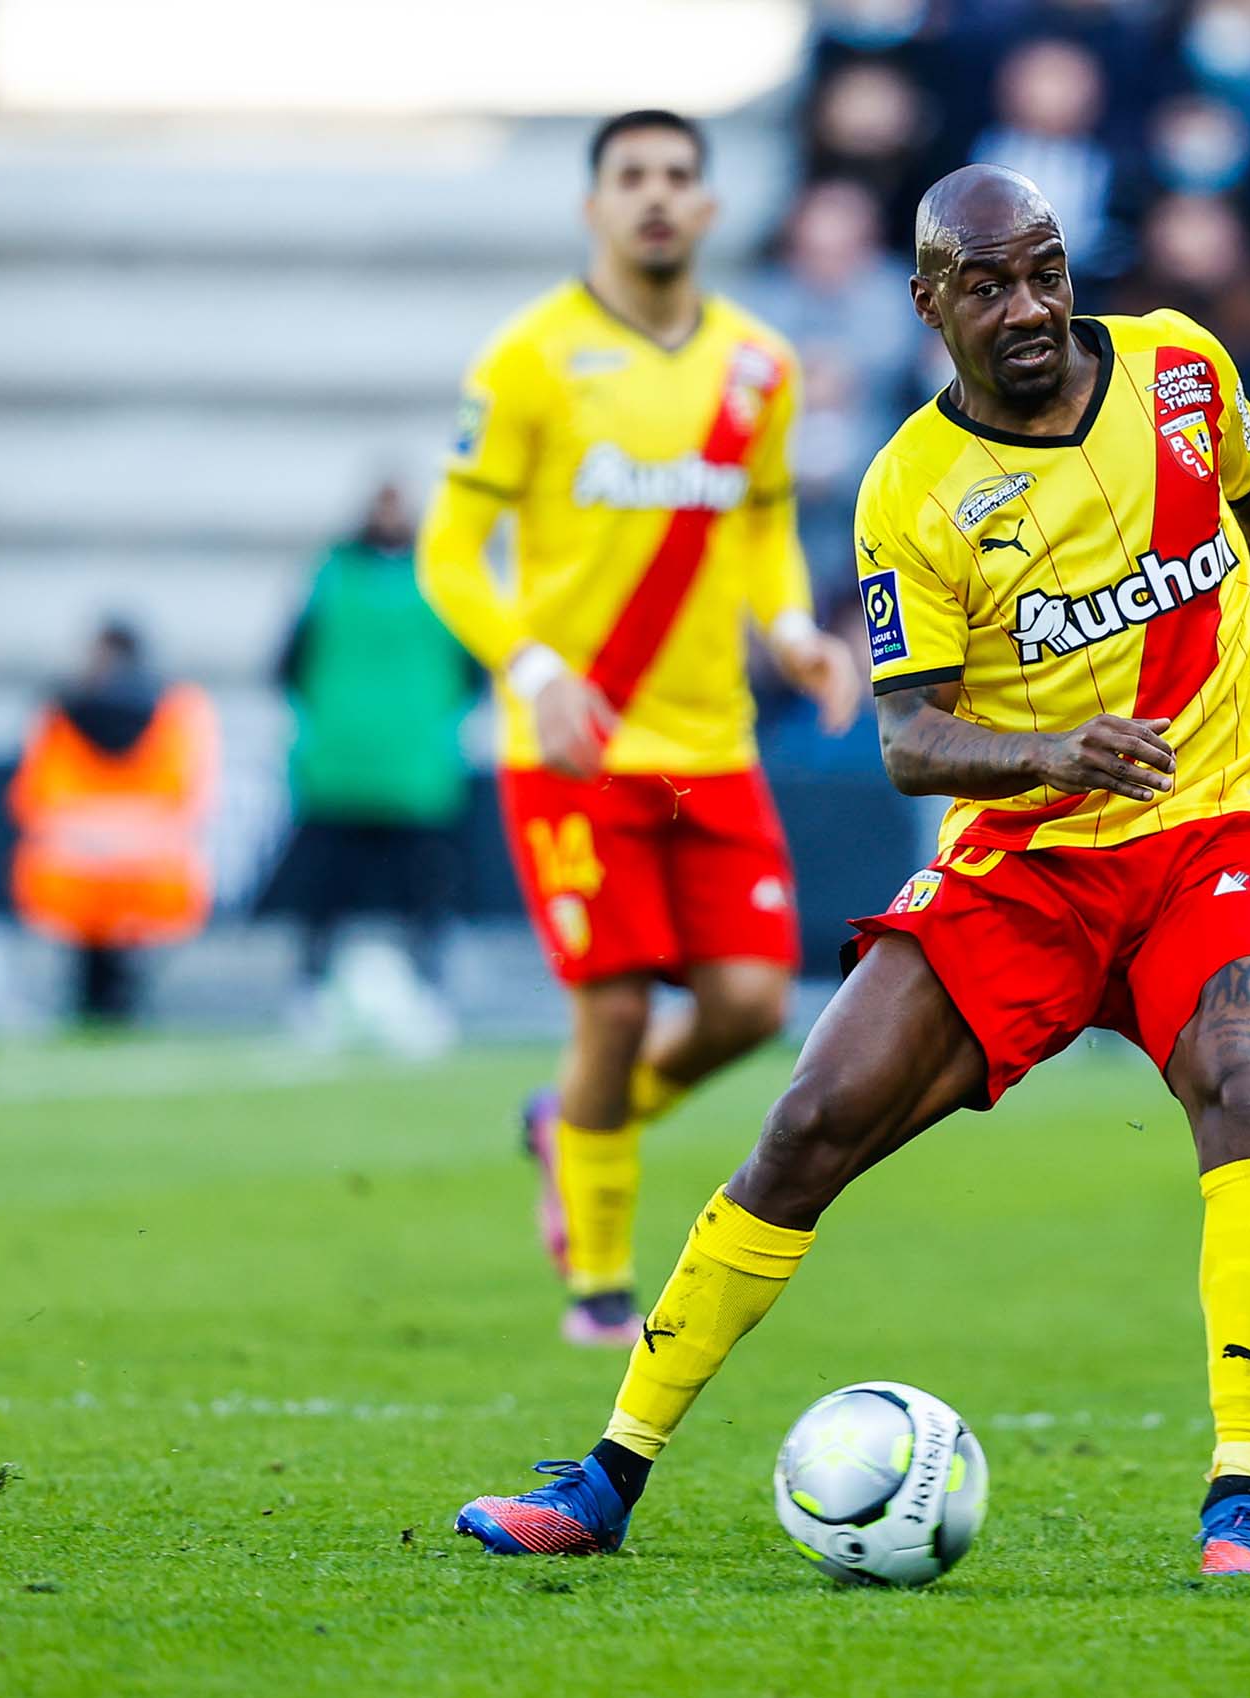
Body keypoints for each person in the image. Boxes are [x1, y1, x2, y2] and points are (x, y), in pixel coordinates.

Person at [449, 165, 1250, 1579]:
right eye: (986, 284)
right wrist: (1058, 754)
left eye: (1045, 272)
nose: (1026, 307)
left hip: (1213, 830)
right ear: (928, 302)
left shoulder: (1181, 371)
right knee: (810, 1120)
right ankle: (605, 1476)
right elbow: (907, 738)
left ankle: (1243, 1495)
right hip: (1025, 863)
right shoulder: (911, 490)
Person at [417, 111, 863, 1348]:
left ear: (710, 208)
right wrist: (534, 664)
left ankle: (573, 1119)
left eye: (679, 176)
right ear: (594, 206)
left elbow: (764, 523)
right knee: (609, 1011)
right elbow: (448, 549)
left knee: (746, 1008)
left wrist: (790, 630)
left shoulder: (757, 365)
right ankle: (599, 1286)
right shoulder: (531, 357)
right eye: (632, 178)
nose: (657, 198)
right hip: (572, 743)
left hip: (708, 742)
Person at [277, 481, 476, 1036]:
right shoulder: (337, 577)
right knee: (329, 893)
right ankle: (313, 992)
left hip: (405, 767)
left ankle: (425, 993)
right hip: (353, 765)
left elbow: (288, 665)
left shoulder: (355, 577)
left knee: (420, 895)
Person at [10, 620, 218, 1023]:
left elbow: (30, 794)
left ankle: (93, 995)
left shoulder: (57, 707)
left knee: (91, 952)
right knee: (122, 950)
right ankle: (122, 992)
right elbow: (196, 790)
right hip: (154, 869)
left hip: (68, 867)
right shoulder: (180, 707)